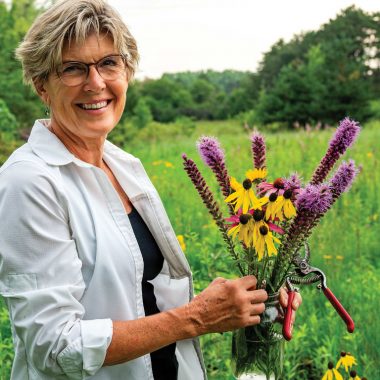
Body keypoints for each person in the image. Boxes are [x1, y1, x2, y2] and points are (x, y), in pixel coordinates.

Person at [0, 1, 301, 379]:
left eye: (109, 63)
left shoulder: (124, 165)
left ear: (127, 72)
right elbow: (54, 345)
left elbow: (142, 296)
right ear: (42, 85)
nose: (96, 83)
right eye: (73, 68)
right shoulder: (30, 182)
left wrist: (241, 300)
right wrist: (197, 317)